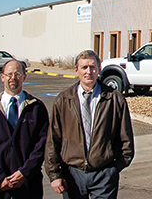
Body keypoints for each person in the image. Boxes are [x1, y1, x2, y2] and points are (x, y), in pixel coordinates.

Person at [45, 50, 135, 199]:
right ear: (76, 70)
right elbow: (53, 141)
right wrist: (54, 175)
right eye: (84, 68)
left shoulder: (114, 99)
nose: (89, 72)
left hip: (104, 174)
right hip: (73, 174)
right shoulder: (63, 100)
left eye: (93, 67)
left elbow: (126, 138)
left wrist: (114, 169)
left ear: (99, 69)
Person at [0, 60, 49, 199]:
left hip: (28, 186)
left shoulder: (36, 108)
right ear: (2, 77)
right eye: (9, 74)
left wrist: (24, 173)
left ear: (24, 77)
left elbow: (42, 146)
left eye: (17, 74)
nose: (13, 78)